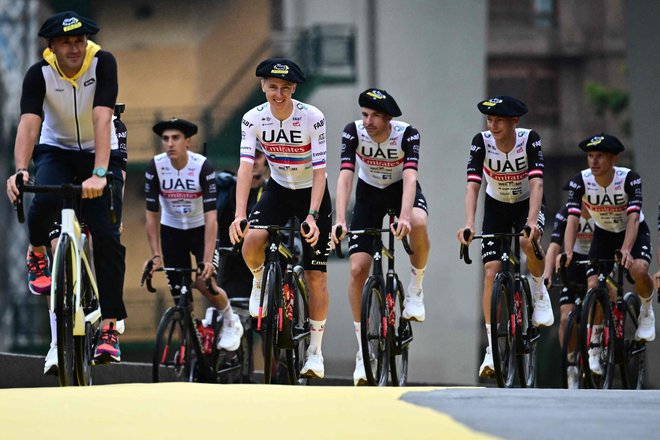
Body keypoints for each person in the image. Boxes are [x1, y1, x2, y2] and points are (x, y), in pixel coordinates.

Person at [5, 11, 127, 371]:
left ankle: (108, 326)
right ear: (52, 46)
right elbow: (29, 124)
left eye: (79, 41)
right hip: (55, 148)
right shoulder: (38, 75)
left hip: (99, 151)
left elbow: (102, 117)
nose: (74, 48)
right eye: (66, 42)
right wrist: (20, 171)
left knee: (106, 236)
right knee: (41, 199)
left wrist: (101, 173)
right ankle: (38, 251)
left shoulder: (103, 63)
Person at [228, 57, 332, 379]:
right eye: (272, 87)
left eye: (285, 88)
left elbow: (319, 172)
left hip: (311, 192)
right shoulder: (252, 119)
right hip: (278, 187)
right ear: (263, 86)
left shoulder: (312, 118)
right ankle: (260, 281)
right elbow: (246, 167)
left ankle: (315, 351)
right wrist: (239, 214)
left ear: (294, 88)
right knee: (252, 240)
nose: (278, 94)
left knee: (316, 275)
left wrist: (313, 217)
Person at [331, 88, 430, 386]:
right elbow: (345, 175)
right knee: (357, 268)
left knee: (418, 220)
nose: (368, 121)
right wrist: (339, 219)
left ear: (388, 118)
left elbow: (411, 177)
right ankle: (363, 351)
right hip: (369, 194)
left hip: (401, 189)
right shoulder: (354, 133)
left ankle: (415, 287)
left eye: (375, 116)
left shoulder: (407, 134)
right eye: (364, 114)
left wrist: (403, 216)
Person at [457, 95, 554, 379]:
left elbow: (537, 184)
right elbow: (473, 186)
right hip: (496, 205)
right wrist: (468, 224)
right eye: (489, 119)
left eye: (499, 119)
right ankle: (491, 347)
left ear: (515, 121)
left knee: (526, 241)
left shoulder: (529, 139)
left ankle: (538, 290)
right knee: (491, 272)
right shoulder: (481, 141)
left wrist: (532, 222)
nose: (493, 125)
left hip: (526, 202)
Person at [144, 118, 243, 351]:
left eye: (175, 138)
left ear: (188, 141)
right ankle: (190, 347)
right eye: (165, 139)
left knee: (203, 282)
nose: (170, 143)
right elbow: (151, 214)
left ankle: (231, 320)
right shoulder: (155, 166)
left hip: (200, 230)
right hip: (172, 231)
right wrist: (156, 255)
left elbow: (211, 217)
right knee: (179, 297)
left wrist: (207, 259)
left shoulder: (201, 166)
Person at [563, 134, 655, 373]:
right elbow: (572, 219)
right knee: (594, 285)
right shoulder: (580, 181)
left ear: (613, 158)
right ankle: (593, 349)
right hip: (603, 233)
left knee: (639, 269)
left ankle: (646, 310)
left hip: (632, 231)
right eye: (590, 156)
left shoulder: (629, 179)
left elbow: (634, 217)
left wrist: (626, 248)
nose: (593, 161)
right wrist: (568, 251)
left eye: (600, 156)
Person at [543, 197, 594, 388]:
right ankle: (571, 364)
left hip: (598, 260)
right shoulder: (567, 211)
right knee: (565, 318)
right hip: (574, 263)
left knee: (603, 295)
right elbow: (554, 246)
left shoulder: (605, 208)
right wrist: (547, 276)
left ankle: (602, 340)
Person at [216, 144, 269, 298]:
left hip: (261, 264)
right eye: (249, 156)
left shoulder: (271, 192)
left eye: (257, 156)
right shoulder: (226, 189)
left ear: (266, 160)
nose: (253, 161)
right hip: (230, 265)